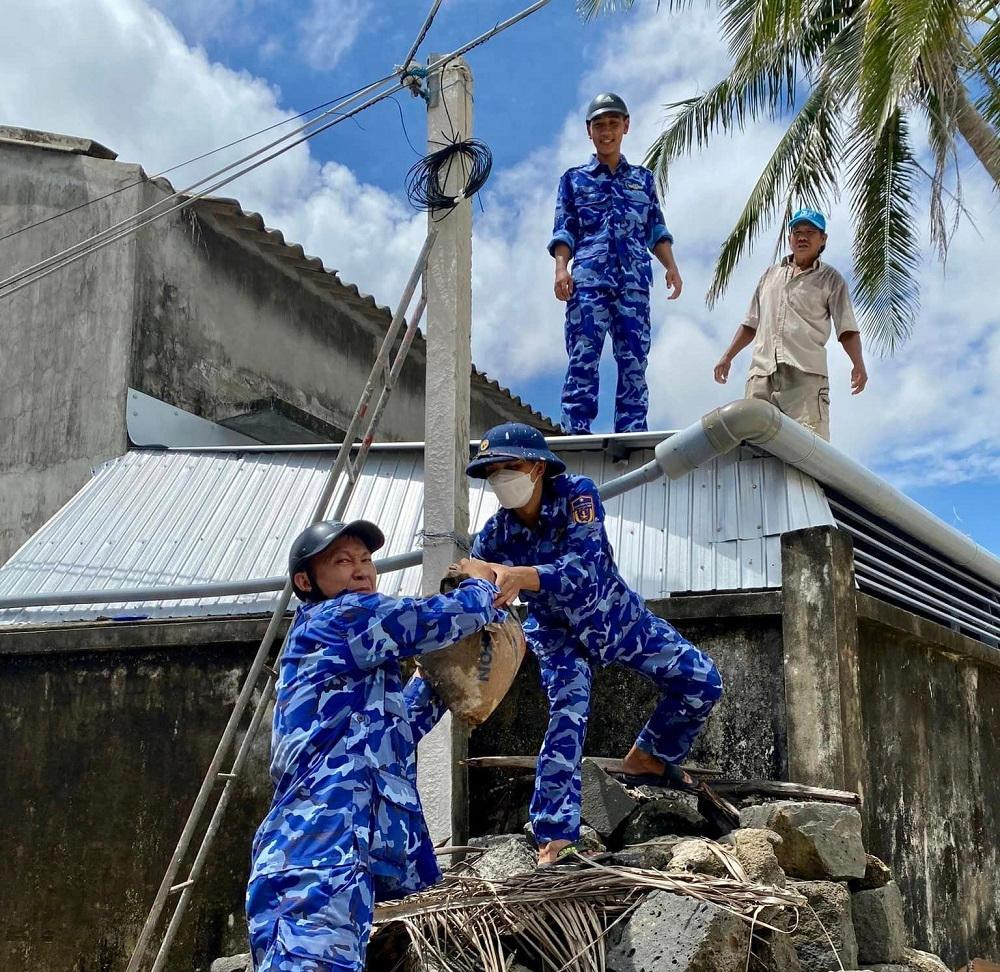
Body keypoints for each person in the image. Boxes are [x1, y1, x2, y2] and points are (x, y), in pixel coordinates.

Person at [458, 423, 729, 867]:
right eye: (494, 471)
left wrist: (523, 575)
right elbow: (479, 582)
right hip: (558, 634)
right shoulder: (495, 535)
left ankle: (649, 758)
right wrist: (474, 585)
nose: (503, 477)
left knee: (701, 680)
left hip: (616, 617)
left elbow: (584, 568)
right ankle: (555, 835)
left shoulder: (577, 495)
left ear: (539, 467)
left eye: (512, 466)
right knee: (568, 712)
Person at [246, 518, 502, 971]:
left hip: (365, 865)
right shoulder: (336, 619)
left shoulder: (362, 662)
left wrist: (444, 677)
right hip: (314, 859)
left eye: (366, 560)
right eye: (342, 561)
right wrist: (482, 590)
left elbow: (395, 736)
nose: (361, 570)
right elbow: (431, 619)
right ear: (306, 582)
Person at [549, 92, 683, 436]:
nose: (606, 132)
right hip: (589, 284)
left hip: (633, 283)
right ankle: (576, 430)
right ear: (588, 131)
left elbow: (656, 227)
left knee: (634, 362)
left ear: (625, 126)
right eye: (599, 126)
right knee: (583, 357)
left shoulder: (642, 179)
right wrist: (561, 268)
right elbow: (565, 229)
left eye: (612, 124)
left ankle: (632, 432)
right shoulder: (573, 180)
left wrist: (671, 266)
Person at [713, 207, 868, 440]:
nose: (802, 237)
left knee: (809, 448)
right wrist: (727, 356)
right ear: (789, 238)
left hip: (805, 377)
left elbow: (846, 328)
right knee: (754, 447)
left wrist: (858, 364)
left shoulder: (831, 280)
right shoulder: (769, 276)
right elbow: (750, 324)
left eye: (810, 232)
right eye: (797, 231)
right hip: (761, 376)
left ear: (822, 239)